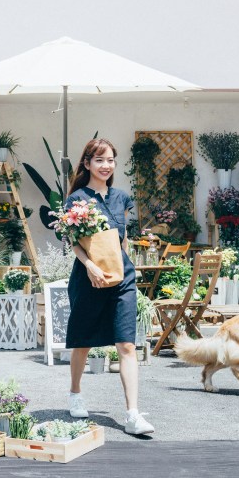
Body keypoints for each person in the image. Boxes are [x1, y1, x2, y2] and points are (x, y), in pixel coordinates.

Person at [63, 138, 155, 436]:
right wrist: (90, 266)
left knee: (127, 343)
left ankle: (132, 414)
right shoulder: (76, 199)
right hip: (89, 277)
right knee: (83, 341)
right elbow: (73, 241)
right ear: (87, 163)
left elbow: (122, 239)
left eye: (111, 160)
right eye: (100, 160)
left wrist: (130, 270)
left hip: (122, 277)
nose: (106, 165)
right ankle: (75, 392)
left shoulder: (121, 198)